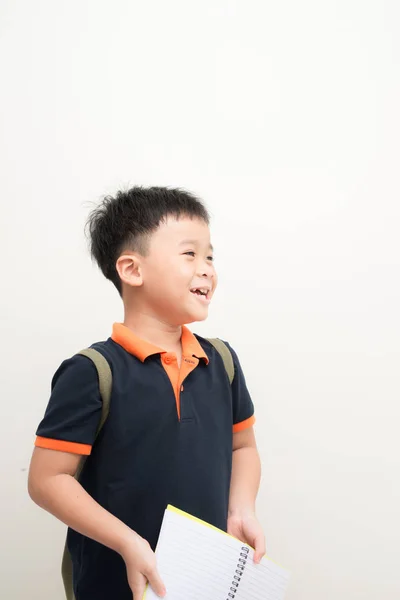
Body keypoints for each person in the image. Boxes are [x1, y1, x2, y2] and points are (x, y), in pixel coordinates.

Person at [28, 186, 265, 600]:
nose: (207, 268)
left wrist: (239, 509)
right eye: (189, 254)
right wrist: (128, 543)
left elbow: (242, 447)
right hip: (115, 586)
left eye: (210, 256)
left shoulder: (222, 362)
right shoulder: (93, 372)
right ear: (132, 270)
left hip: (202, 581)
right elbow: (47, 480)